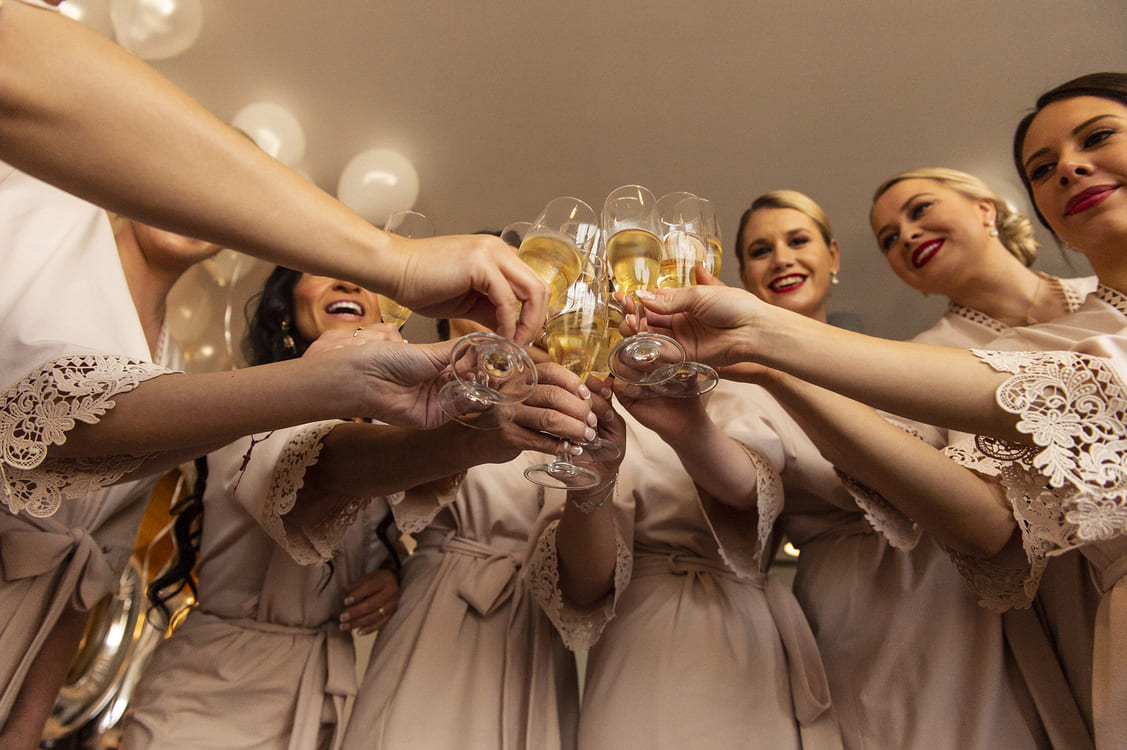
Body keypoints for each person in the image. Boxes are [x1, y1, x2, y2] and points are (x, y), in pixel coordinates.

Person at [635, 72, 1127, 748]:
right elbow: (988, 521)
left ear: (988, 209)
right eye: (890, 238)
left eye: (1097, 138)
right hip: (956, 607)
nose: (1068, 169)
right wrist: (762, 359)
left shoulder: (1086, 320)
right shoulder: (918, 359)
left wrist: (766, 344)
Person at [0, 1, 551, 515]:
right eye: (196, 181)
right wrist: (396, 263)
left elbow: (62, 441)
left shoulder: (173, 361)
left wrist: (342, 382)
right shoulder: (43, 195)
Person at [727, 188, 1059, 748]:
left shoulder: (899, 360)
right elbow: (743, 486)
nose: (782, 258)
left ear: (833, 255)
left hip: (953, 584)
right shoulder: (737, 385)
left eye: (798, 240)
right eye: (761, 251)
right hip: (857, 597)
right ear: (743, 276)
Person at [120, 268, 408, 749]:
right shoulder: (248, 402)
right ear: (285, 307)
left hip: (319, 694)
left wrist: (393, 573)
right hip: (211, 689)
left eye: (365, 276)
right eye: (322, 271)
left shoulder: (390, 436)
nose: (348, 283)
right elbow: (315, 485)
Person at [529, 333, 845, 744]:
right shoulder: (594, 401)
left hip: (751, 638)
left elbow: (751, 492)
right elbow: (582, 587)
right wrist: (594, 486)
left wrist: (687, 428)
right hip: (644, 640)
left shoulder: (754, 385)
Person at [0, 217, 222, 748]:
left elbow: (94, 565)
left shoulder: (175, 370)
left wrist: (26, 726)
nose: (190, 211)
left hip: (25, 629)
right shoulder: (39, 245)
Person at [338, 317, 607, 750]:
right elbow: (373, 506)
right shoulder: (421, 384)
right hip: (440, 607)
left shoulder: (567, 392)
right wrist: (394, 565)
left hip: (533, 626)